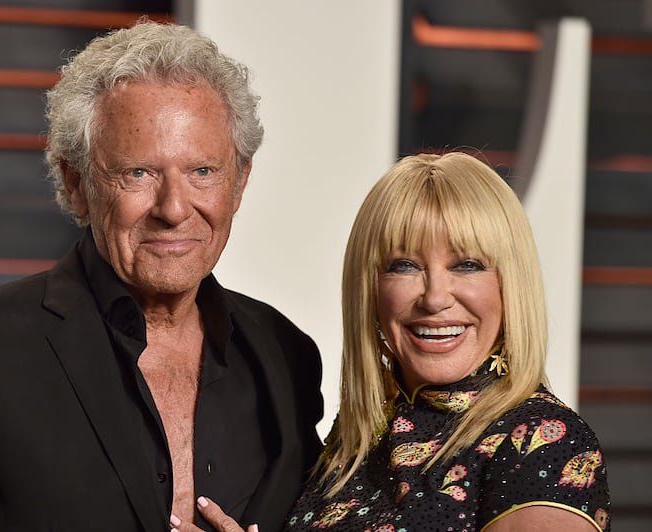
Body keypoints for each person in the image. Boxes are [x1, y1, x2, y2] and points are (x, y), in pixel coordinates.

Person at [0, 21, 323, 531]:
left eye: (202, 171)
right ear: (76, 184)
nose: (173, 208)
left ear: (240, 182)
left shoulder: (286, 354)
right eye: (138, 173)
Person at [178, 152, 610, 532]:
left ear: (509, 285)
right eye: (404, 265)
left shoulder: (539, 442)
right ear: (370, 290)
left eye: (467, 264)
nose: (436, 297)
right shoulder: (356, 439)